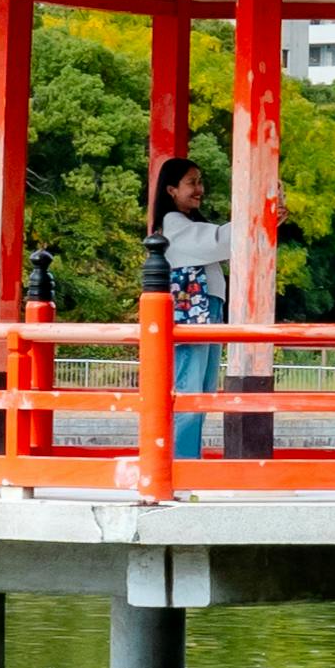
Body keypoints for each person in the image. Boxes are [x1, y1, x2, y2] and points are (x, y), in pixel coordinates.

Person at [150, 150, 229, 454]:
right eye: (191, 183)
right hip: (193, 311)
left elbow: (218, 240)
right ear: (172, 190)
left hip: (206, 308)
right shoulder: (175, 227)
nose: (199, 189)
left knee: (201, 392)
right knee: (188, 391)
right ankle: (181, 463)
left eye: (200, 182)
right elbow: (219, 241)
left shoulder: (184, 225)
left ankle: (186, 461)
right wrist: (259, 219)